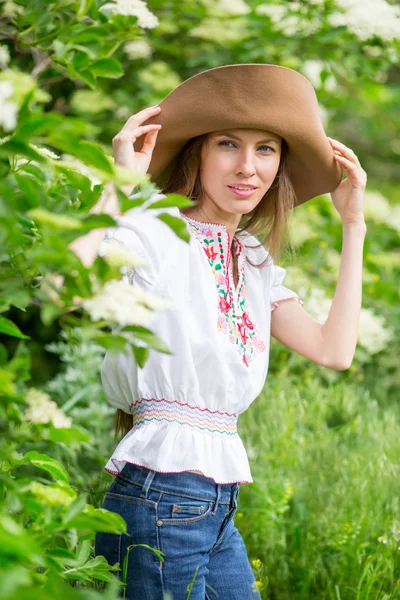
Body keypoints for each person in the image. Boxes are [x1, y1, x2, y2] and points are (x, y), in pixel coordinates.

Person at [78, 64, 366, 599]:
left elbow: (334, 351)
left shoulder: (253, 261)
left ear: (280, 166)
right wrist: (118, 186)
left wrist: (354, 225)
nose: (247, 167)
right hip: (164, 490)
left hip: (215, 498)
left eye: (266, 150)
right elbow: (66, 287)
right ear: (198, 154)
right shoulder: (154, 230)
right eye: (228, 144)